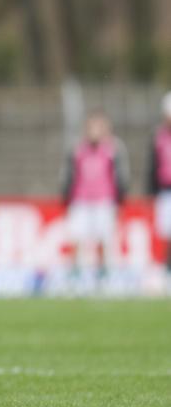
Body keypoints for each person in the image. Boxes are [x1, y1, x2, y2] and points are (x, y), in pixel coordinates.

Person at [61, 110, 129, 282]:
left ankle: (103, 272)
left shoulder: (113, 149)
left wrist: (121, 195)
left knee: (104, 237)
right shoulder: (77, 149)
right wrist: (65, 193)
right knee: (77, 236)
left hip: (104, 199)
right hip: (81, 199)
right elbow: (69, 173)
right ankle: (74, 273)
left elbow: (120, 175)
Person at [148, 92, 171, 273]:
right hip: (165, 190)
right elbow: (153, 165)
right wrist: (151, 190)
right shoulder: (159, 137)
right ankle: (166, 268)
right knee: (166, 233)